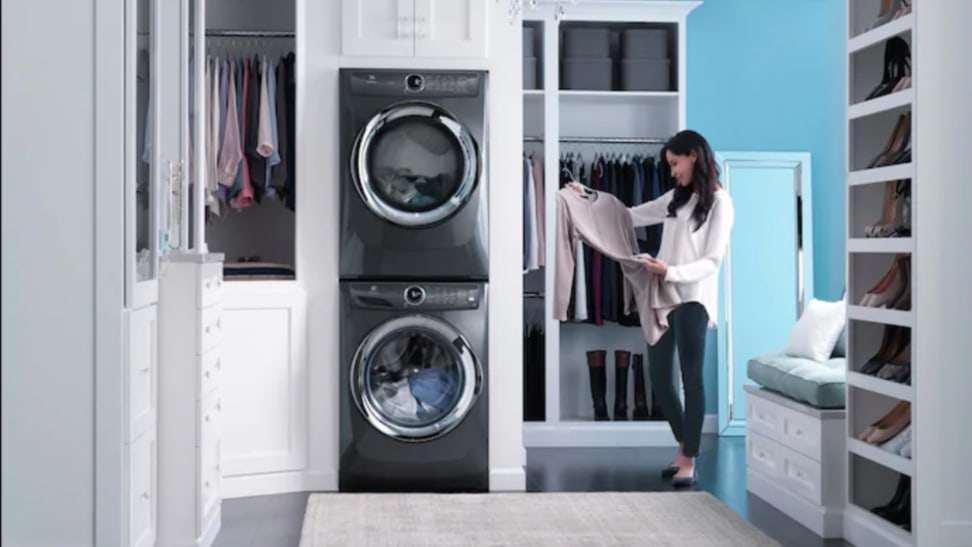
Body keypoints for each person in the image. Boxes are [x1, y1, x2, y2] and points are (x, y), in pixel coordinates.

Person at [568, 129, 734, 487]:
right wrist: (590, 197)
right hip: (663, 296)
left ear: (694, 155)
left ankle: (688, 458)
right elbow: (630, 214)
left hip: (692, 299)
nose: (672, 171)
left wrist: (669, 270)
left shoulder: (721, 203)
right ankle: (683, 446)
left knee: (691, 378)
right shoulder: (677, 197)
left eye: (675, 163)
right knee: (659, 377)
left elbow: (712, 261)